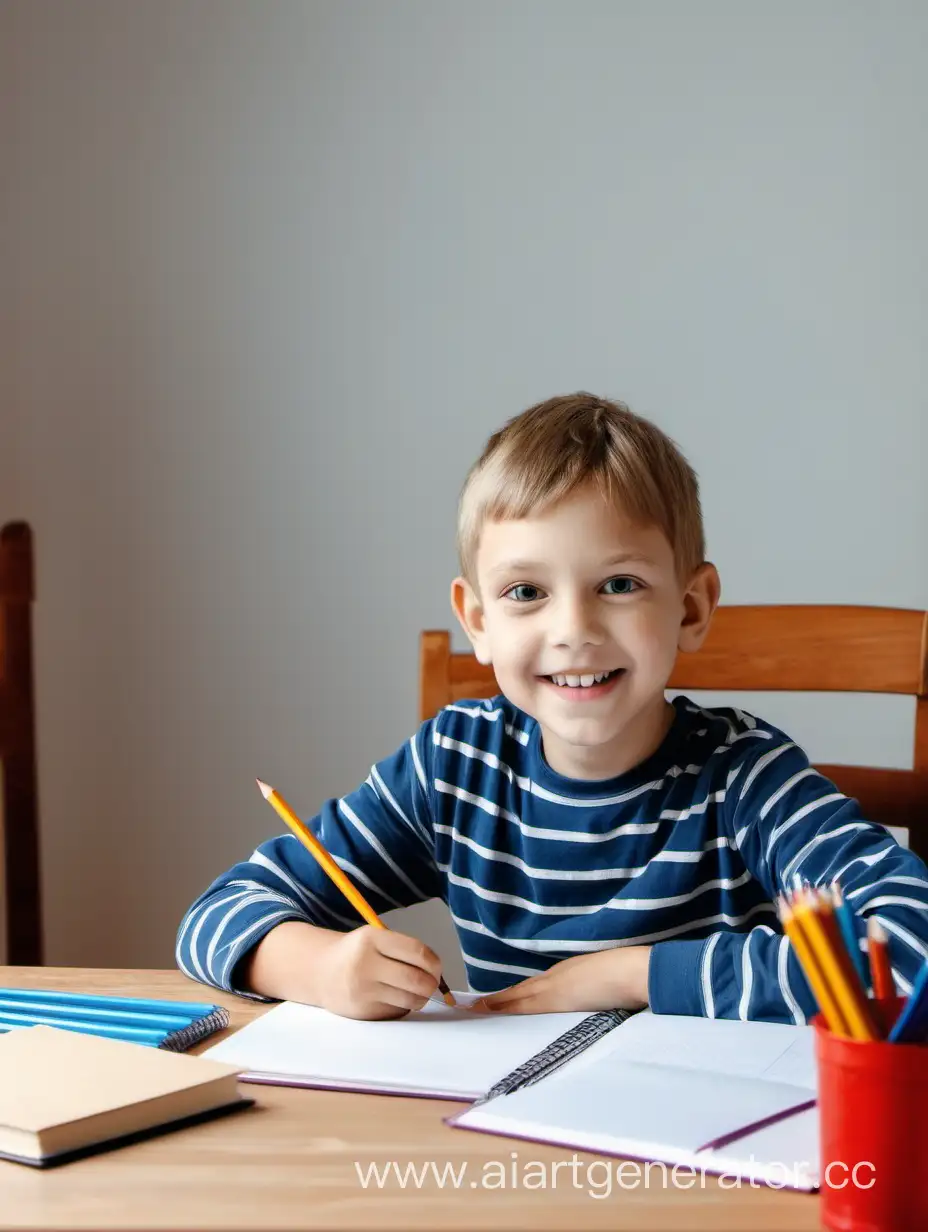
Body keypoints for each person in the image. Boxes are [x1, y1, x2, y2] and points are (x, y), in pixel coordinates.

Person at [176, 392, 928, 1023]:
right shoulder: (454, 770)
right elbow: (214, 916)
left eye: (619, 584)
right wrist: (322, 969)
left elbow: (913, 948)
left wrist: (632, 976)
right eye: (526, 593)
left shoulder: (745, 779)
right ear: (477, 620)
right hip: (507, 1155)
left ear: (693, 607)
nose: (573, 630)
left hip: (704, 1173)